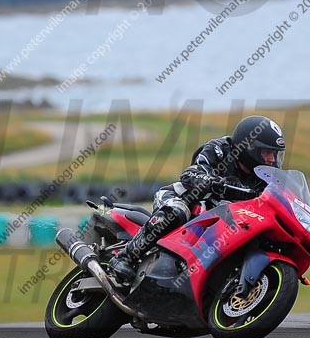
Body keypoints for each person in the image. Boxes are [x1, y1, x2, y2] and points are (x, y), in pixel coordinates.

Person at [108, 115, 286, 284]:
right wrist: (213, 182)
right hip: (181, 199)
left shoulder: (263, 178)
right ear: (249, 148)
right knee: (177, 212)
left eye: (275, 154)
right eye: (267, 152)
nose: (272, 160)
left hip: (217, 218)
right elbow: (190, 173)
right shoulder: (219, 149)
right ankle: (124, 257)